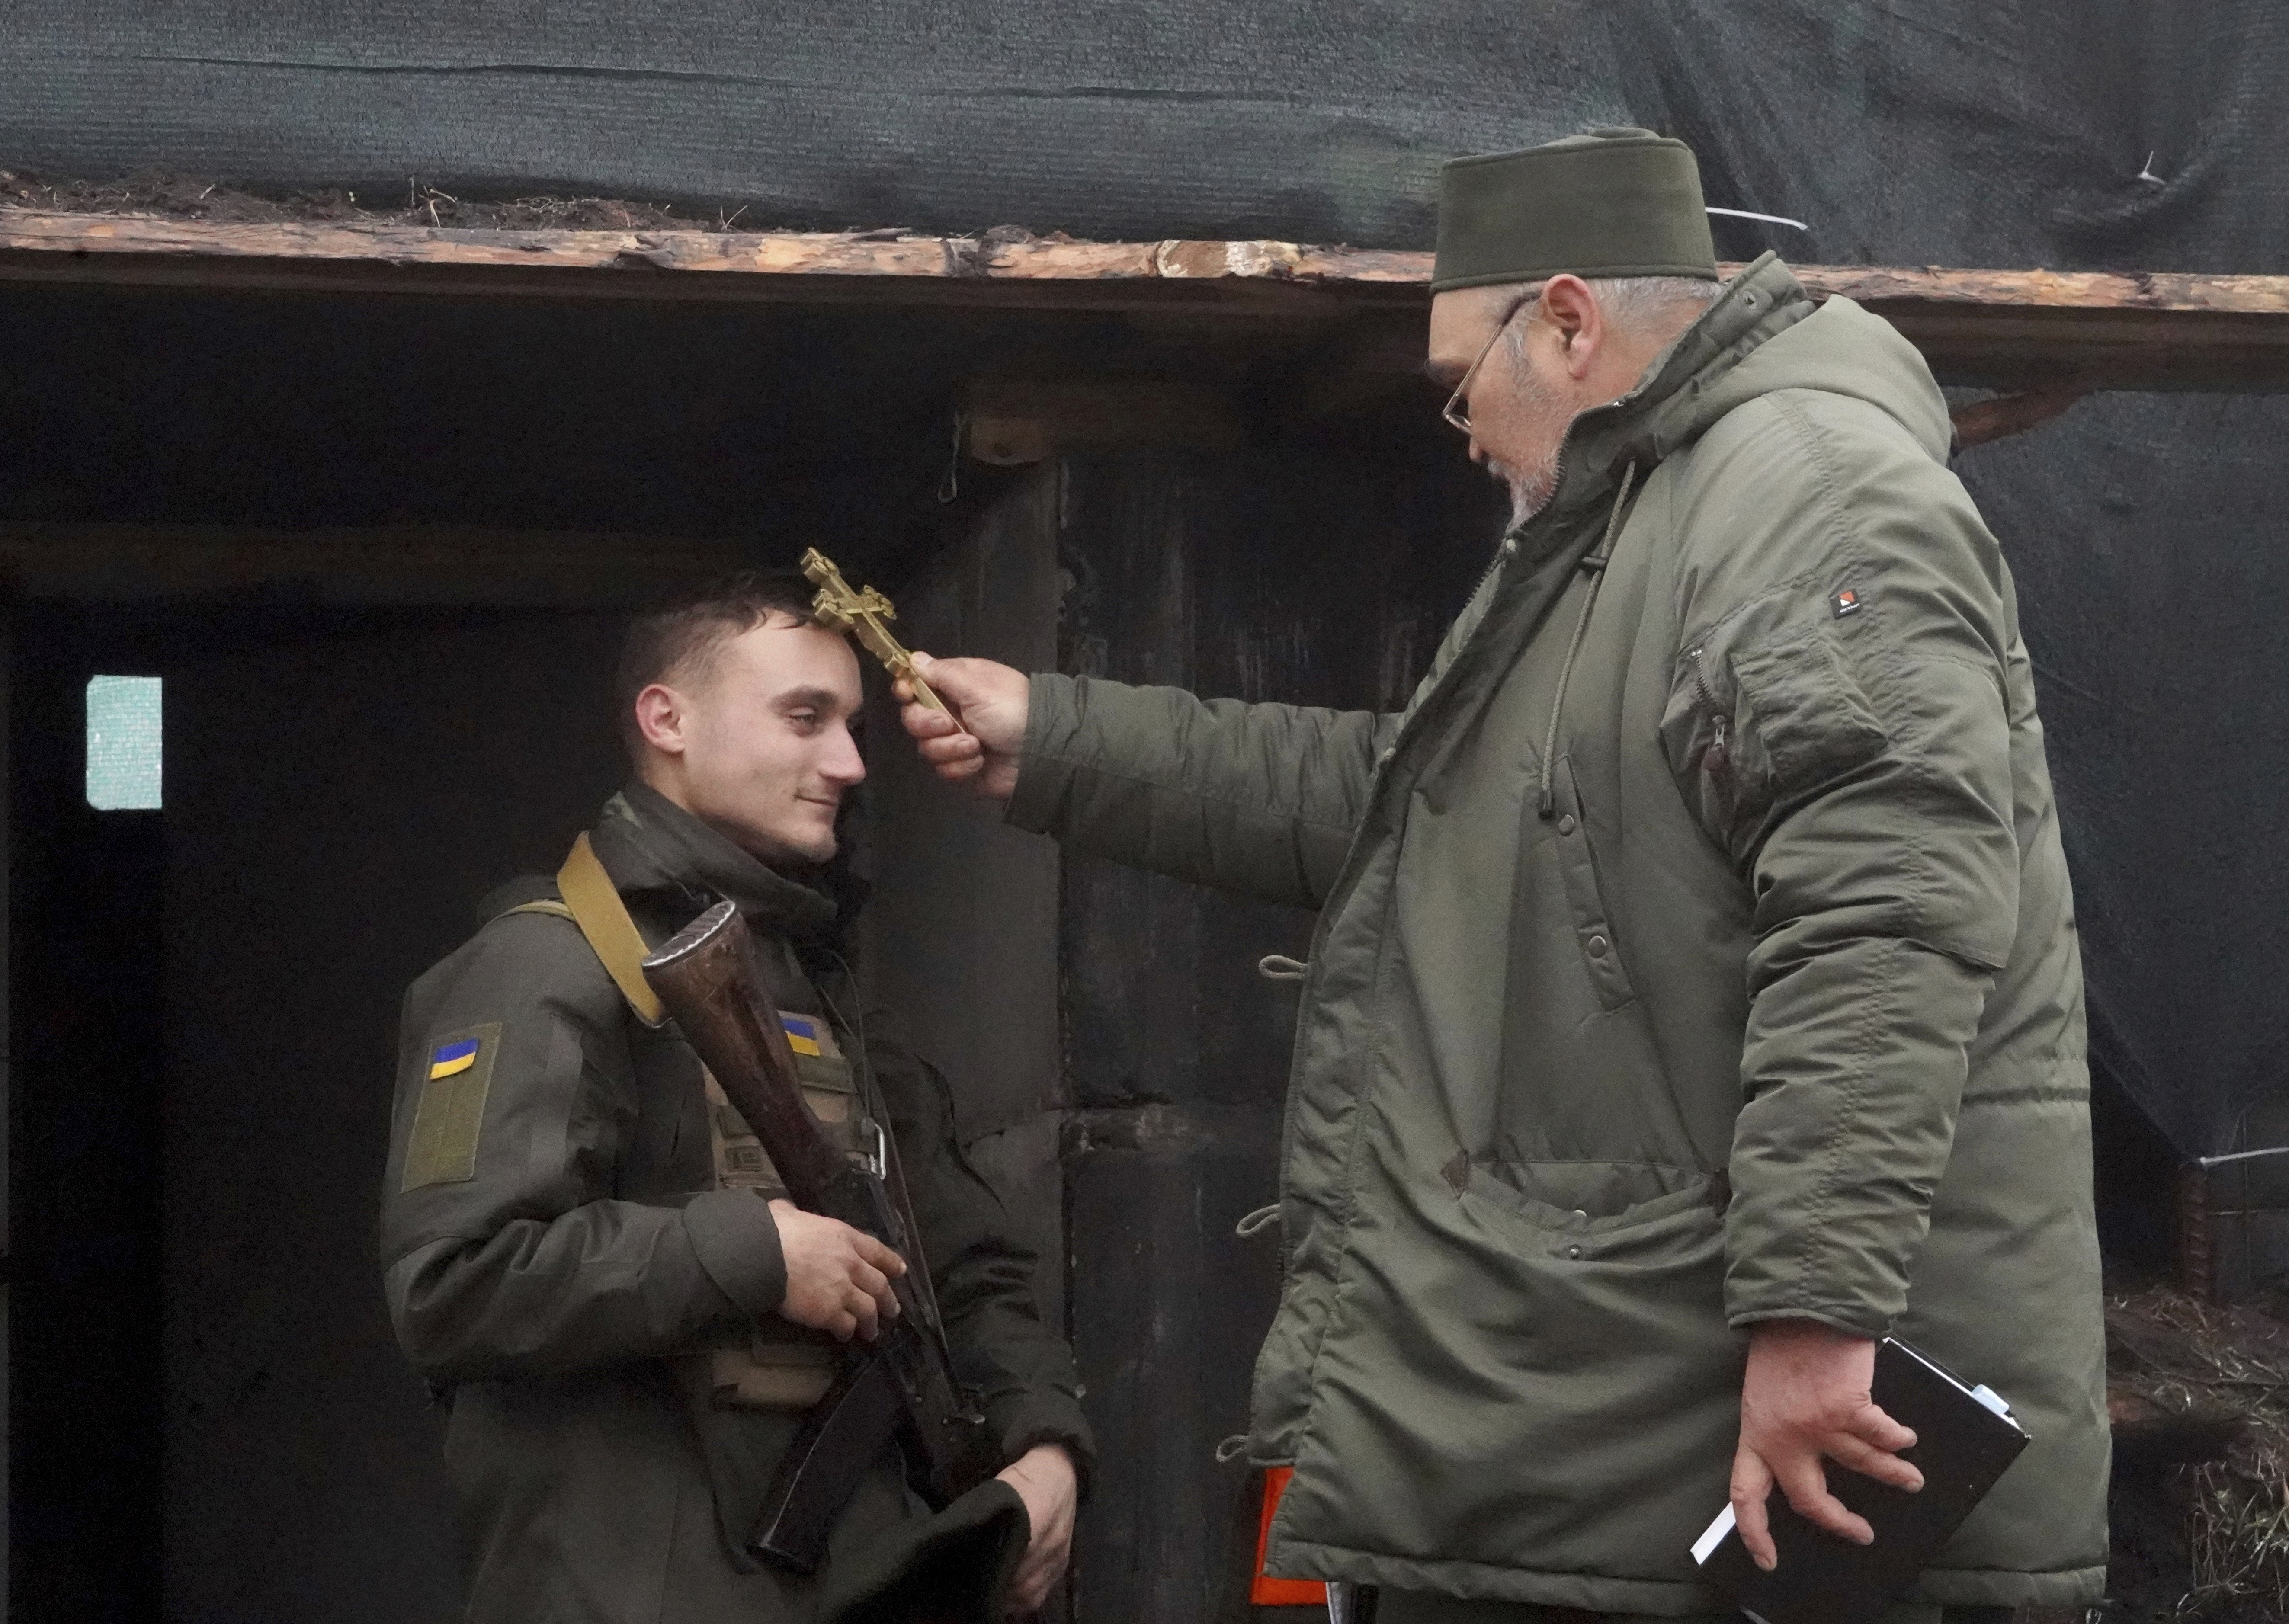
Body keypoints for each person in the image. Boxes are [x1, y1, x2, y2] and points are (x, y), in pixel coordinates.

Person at [897, 129, 2106, 1624]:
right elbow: (1417, 805)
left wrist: (1813, 1317)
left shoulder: (1805, 497)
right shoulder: (1636, 530)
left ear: (1567, 320)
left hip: (1773, 1449)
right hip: (1640, 1430)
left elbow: (1887, 914)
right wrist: (1061, 738)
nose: (1459, 430)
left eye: (1460, 381)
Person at [380, 571, 1090, 1623]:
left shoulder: (820, 986)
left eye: (852, 725)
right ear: (666, 719)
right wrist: (754, 1255)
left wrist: (1044, 1445)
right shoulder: (545, 967)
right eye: (804, 718)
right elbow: (453, 1281)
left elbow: (963, 1266)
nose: (848, 764)